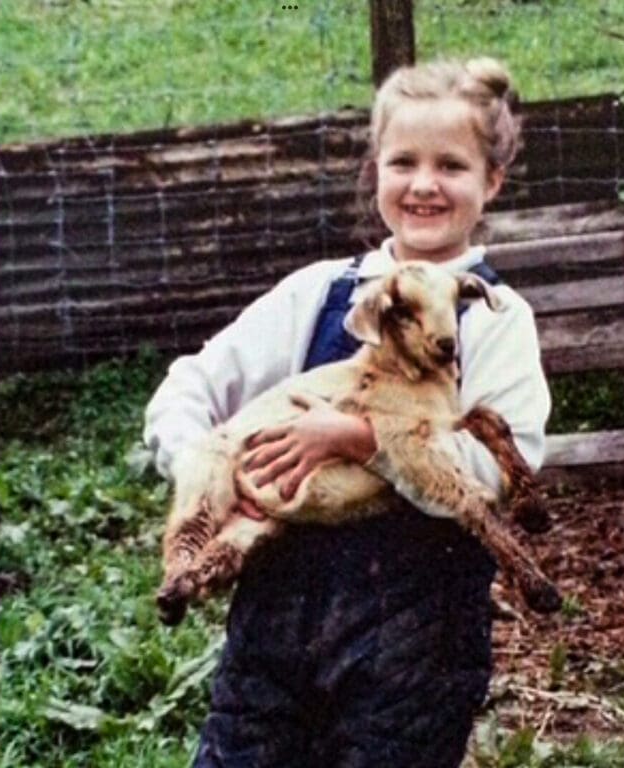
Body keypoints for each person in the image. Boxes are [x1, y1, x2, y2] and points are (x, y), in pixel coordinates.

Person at [143, 57, 550, 768]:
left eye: (451, 165)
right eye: (404, 162)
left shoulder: (495, 318)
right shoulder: (319, 294)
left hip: (414, 650)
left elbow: (494, 472)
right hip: (275, 634)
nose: (424, 184)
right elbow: (192, 386)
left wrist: (360, 438)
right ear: (376, 173)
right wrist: (210, 471)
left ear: (492, 181)